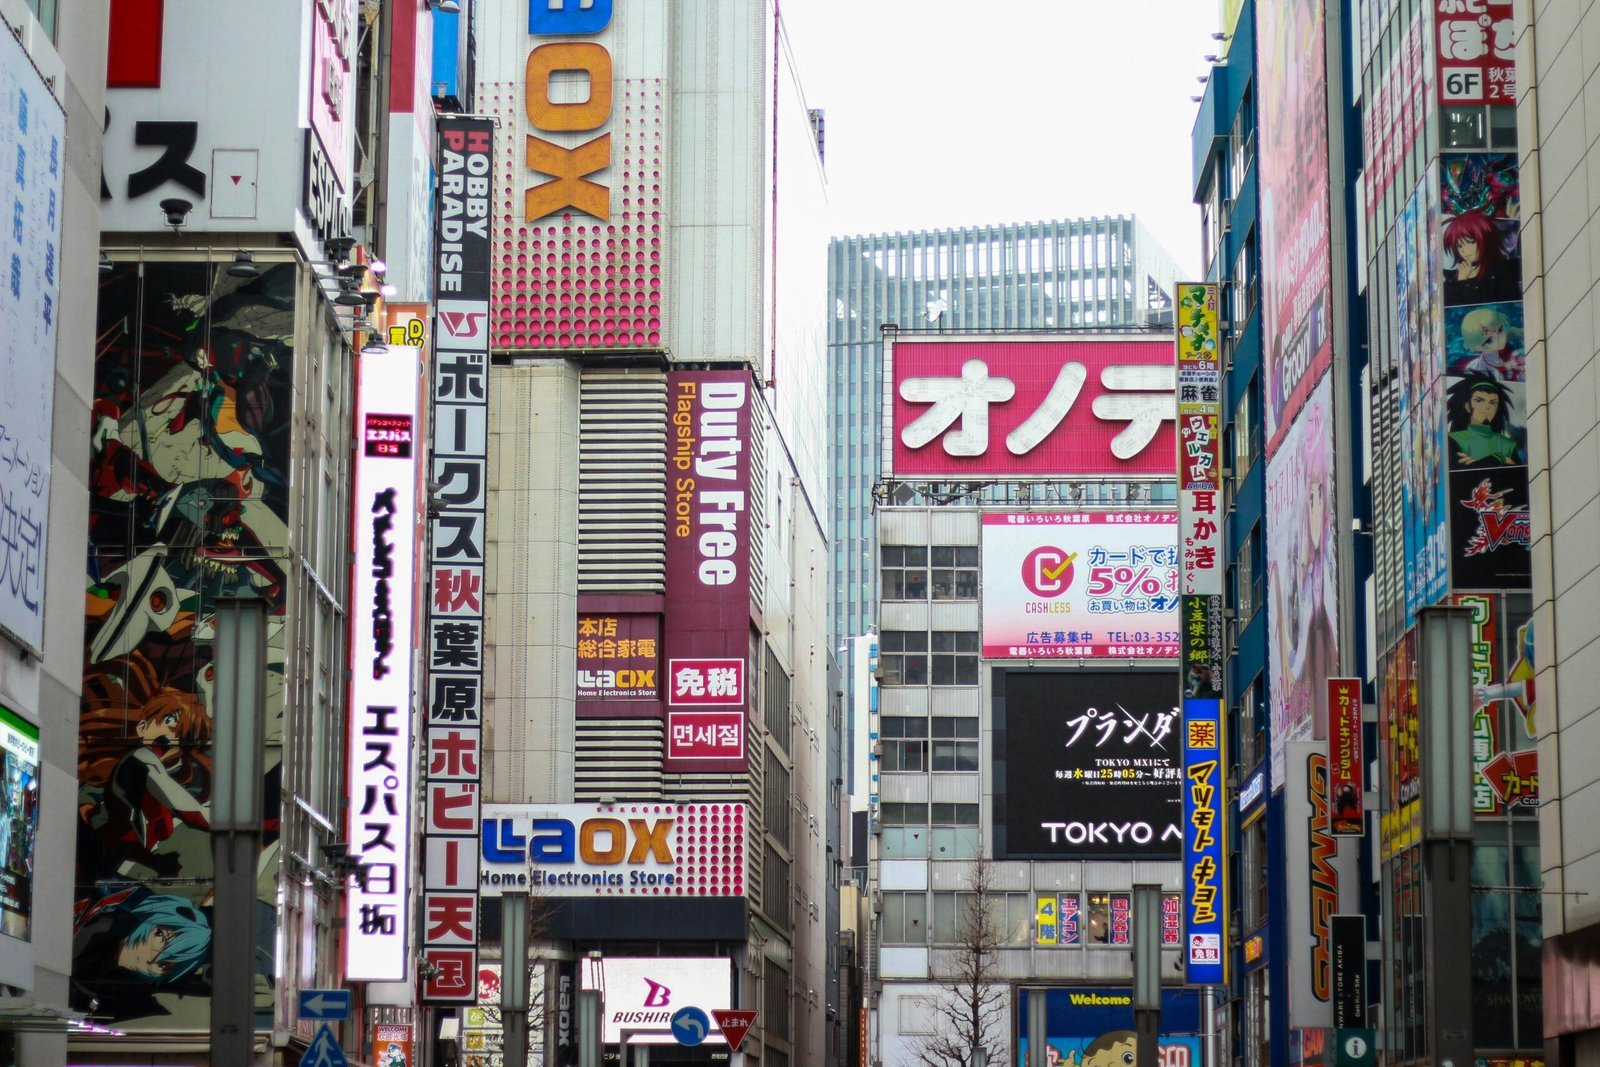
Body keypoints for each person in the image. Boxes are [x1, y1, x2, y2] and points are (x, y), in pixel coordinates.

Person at [70, 884, 212, 1020]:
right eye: (160, 936)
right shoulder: (104, 914)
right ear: (152, 920)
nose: (153, 957)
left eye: (163, 965)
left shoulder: (110, 992)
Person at [1442, 211, 1520, 306]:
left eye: (1471, 242)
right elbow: (1447, 309)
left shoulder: (1502, 269)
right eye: (1460, 246)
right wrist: (1461, 280)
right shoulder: (1453, 277)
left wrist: (1464, 283)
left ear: (1485, 239)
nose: (1464, 251)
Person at [1446, 374, 1522, 467]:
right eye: (1479, 400)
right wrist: (1500, 459)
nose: (1487, 407)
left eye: (1493, 402)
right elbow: (1460, 475)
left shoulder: (1508, 444)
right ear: (1468, 406)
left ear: (1497, 408)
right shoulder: (1455, 439)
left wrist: (1478, 463)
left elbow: (1519, 476)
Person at [1451, 306, 1525, 381]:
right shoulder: (1477, 368)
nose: (1499, 338)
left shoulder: (1510, 354)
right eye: (1489, 340)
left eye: (1500, 330)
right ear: (1476, 346)